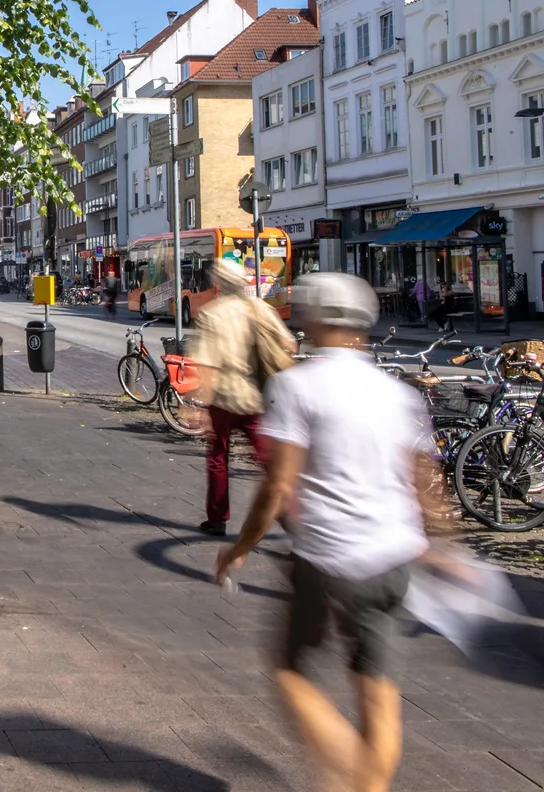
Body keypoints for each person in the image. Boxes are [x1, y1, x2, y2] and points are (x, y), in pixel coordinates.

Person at [214, 272, 445, 792]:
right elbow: (426, 480)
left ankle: (349, 780)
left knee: (292, 671)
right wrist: (445, 547)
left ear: (314, 320)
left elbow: (277, 488)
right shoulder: (396, 393)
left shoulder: (297, 385)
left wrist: (239, 549)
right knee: (378, 694)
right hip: (395, 557)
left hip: (330, 558)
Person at [186, 258, 298, 536]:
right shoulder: (260, 308)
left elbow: (208, 363)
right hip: (256, 397)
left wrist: (199, 404)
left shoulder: (212, 314)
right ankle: (287, 510)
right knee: (266, 457)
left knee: (218, 457)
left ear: (218, 283)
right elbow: (289, 344)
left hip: (223, 398)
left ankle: (217, 518)